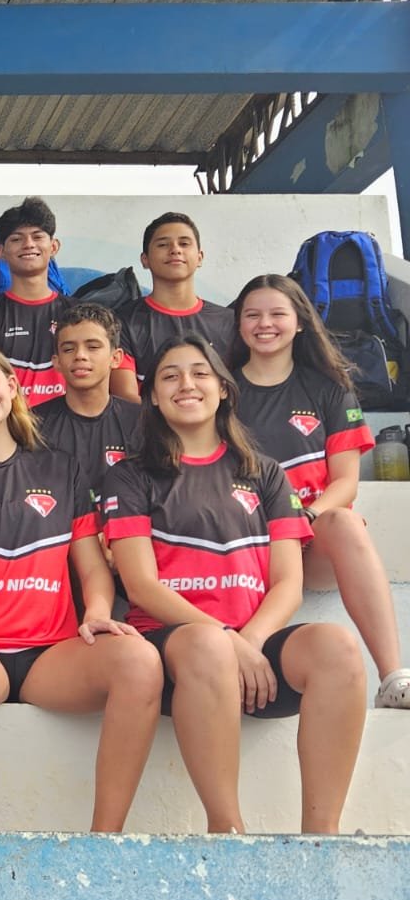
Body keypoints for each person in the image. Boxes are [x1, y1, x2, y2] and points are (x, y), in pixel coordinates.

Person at [104, 335, 366, 833]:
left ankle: (322, 838)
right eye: (170, 376)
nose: (186, 384)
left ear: (223, 389)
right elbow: (140, 586)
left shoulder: (265, 473)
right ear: (152, 396)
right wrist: (227, 640)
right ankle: (226, 831)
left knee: (336, 646)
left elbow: (288, 582)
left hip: (252, 649)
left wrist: (250, 641)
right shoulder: (131, 477)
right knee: (207, 646)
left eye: (200, 373)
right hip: (174, 652)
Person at [0, 343, 163, 831]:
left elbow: (92, 568)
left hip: (52, 656)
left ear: (12, 386)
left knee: (140, 660)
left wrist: (98, 612)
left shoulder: (61, 467)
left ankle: (105, 838)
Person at [230, 275, 409, 709]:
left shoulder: (330, 389)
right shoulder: (220, 392)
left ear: (300, 322)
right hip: (247, 543)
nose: (264, 324)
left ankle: (393, 678)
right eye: (253, 315)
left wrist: (305, 517)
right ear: (238, 324)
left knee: (344, 521)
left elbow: (345, 482)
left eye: (277, 313)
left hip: (310, 541)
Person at [111, 212, 236, 401]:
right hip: (147, 421)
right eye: (163, 245)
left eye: (184, 244)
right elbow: (126, 397)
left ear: (200, 257)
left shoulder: (229, 321)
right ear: (145, 259)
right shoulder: (121, 322)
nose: (175, 250)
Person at [34, 303, 141, 514]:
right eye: (68, 349)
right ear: (56, 362)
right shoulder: (33, 425)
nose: (80, 355)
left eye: (93, 347)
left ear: (116, 358)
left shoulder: (142, 422)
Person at [0, 197, 68, 408]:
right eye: (16, 239)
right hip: (9, 422)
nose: (28, 244)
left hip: (68, 423)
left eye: (37, 236)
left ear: (54, 246)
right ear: (1, 252)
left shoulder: (77, 313)